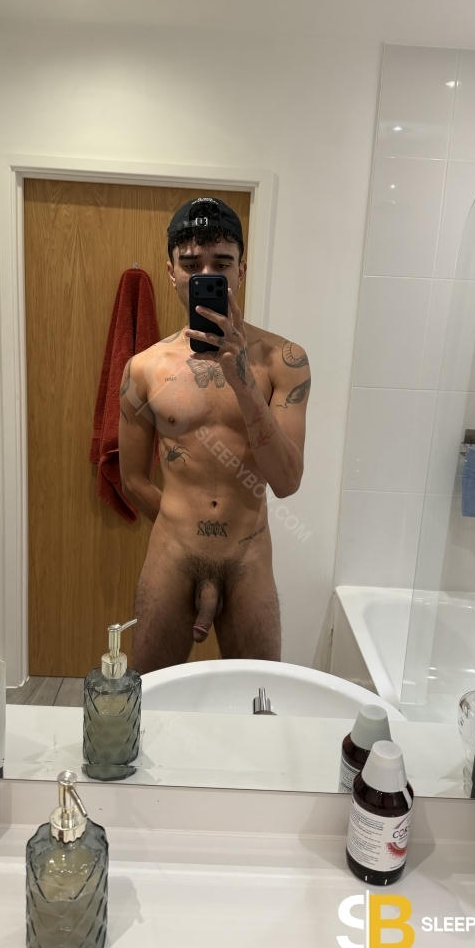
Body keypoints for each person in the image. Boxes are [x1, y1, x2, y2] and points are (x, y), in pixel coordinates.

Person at [118, 197, 310, 673]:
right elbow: (133, 480)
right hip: (172, 555)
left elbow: (287, 481)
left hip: (249, 559)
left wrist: (242, 380)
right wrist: (186, 533)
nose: (206, 274)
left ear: (241, 270)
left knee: (258, 700)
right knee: (151, 694)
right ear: (171, 272)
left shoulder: (284, 361)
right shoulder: (143, 369)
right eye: (190, 264)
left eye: (221, 263)